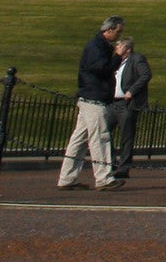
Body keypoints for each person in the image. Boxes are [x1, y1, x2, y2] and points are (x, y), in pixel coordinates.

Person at [58, 15, 125, 191]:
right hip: (94, 99)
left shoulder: (99, 45)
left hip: (89, 97)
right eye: (118, 31)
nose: (119, 35)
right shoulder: (97, 46)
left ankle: (67, 178)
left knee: (79, 140)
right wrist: (118, 57)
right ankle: (104, 178)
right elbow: (101, 69)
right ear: (109, 30)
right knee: (100, 138)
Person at [108, 35, 152, 179]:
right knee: (104, 131)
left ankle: (124, 167)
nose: (116, 48)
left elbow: (146, 75)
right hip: (112, 102)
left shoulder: (136, 58)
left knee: (126, 136)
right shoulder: (116, 61)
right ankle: (110, 161)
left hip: (127, 103)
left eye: (119, 46)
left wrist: (132, 91)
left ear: (127, 48)